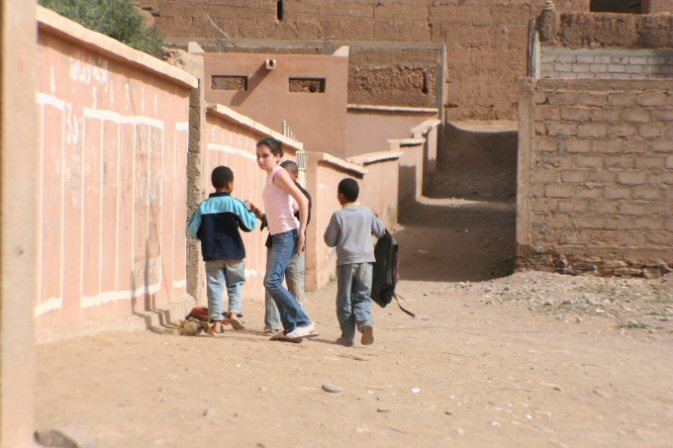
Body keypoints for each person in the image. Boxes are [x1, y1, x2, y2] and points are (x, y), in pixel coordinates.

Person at [249, 137, 317, 342]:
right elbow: (293, 204)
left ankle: (304, 322)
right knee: (273, 282)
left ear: (278, 156)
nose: (261, 160)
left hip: (287, 235)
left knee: (271, 281)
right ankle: (290, 328)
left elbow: (303, 199)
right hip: (279, 234)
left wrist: (302, 231)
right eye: (258, 156)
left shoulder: (279, 174)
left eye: (265, 156)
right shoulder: (271, 176)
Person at [187, 165, 258, 334]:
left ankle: (217, 324)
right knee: (235, 284)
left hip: (212, 253)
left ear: (214, 183)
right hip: (234, 253)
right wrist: (250, 211)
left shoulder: (204, 206)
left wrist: (206, 237)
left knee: (215, 287)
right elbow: (250, 224)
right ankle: (233, 313)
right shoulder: (235, 204)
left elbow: (192, 229)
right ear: (229, 184)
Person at [324, 178, 385, 347]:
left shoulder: (338, 215)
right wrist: (375, 218)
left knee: (345, 299)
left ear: (342, 196)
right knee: (362, 296)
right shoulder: (367, 212)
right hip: (366, 262)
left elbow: (329, 240)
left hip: (346, 262)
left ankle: (347, 337)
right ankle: (365, 323)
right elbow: (381, 232)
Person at [263, 160, 312, 335]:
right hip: (275, 242)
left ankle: (301, 323)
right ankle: (275, 325)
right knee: (272, 284)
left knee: (293, 286)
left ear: (295, 177)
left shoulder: (301, 195)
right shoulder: (277, 190)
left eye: (286, 177)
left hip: (294, 244)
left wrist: (300, 235)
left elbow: (302, 217)